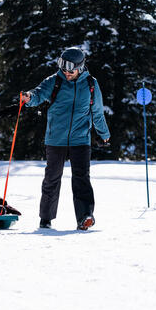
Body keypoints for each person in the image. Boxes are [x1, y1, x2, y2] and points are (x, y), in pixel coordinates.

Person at [21, 47, 110, 230]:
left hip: (80, 139)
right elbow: (38, 94)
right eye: (64, 69)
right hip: (56, 139)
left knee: (81, 179)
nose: (67, 73)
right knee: (52, 178)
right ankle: (46, 218)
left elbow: (97, 112)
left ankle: (85, 216)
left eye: (71, 70)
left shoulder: (91, 85)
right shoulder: (54, 82)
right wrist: (29, 98)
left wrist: (104, 134)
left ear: (81, 67)